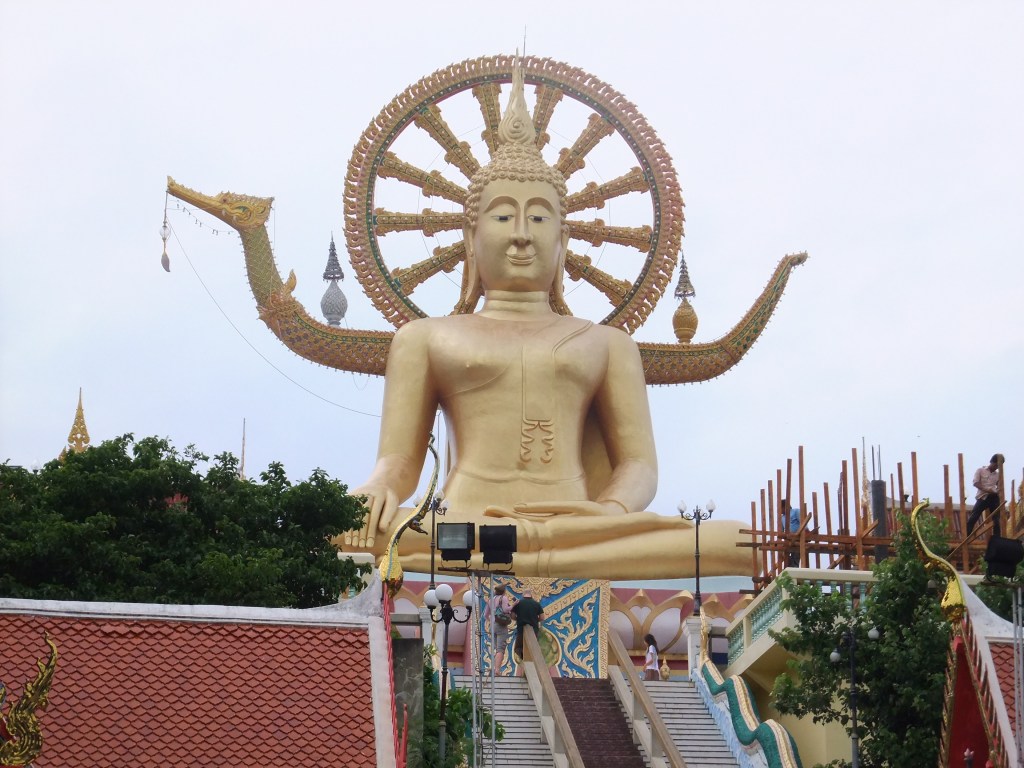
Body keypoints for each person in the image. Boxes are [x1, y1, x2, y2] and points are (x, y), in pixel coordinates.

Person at [348, 60, 748, 580]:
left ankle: (542, 551)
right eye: (501, 216)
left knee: (739, 542)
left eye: (539, 217)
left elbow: (639, 467)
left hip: (579, 525)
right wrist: (376, 488)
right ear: (470, 237)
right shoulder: (425, 338)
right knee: (342, 528)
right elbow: (400, 462)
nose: (521, 233)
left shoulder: (606, 344)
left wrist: (610, 513)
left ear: (563, 241)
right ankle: (535, 554)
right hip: (461, 524)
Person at [967, 454, 1004, 537]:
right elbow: (976, 483)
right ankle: (966, 536)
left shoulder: (997, 475)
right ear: (992, 462)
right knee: (974, 517)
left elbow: (999, 486)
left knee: (996, 519)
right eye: (996, 465)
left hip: (994, 497)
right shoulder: (980, 470)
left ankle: (996, 538)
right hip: (983, 497)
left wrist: (997, 491)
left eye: (998, 466)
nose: (996, 467)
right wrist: (987, 489)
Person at [511, 589, 544, 670]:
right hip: (534, 630)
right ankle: (533, 664)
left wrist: (517, 619)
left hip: (521, 630)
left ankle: (524, 659)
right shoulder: (536, 604)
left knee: (518, 648)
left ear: (523, 594)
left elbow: (512, 615)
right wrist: (535, 620)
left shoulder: (519, 603)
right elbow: (542, 617)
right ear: (531, 594)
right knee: (533, 648)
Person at [483, 584, 512, 674]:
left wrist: (492, 620)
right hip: (501, 625)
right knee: (501, 649)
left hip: (493, 626)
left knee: (496, 648)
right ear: (504, 591)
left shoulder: (492, 599)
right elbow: (506, 609)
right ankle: (497, 670)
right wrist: (514, 605)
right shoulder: (503, 598)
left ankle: (495, 667)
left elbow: (485, 615)